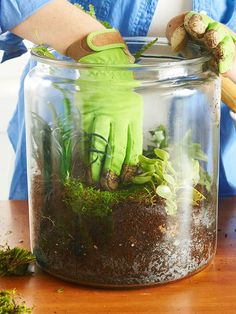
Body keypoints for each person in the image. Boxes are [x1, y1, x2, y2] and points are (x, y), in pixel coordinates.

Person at [0, 0, 235, 199]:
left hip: (201, 175)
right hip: (68, 139)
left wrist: (229, 54)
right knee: (62, 223)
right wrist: (93, 46)